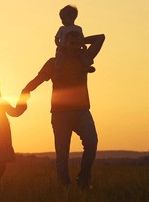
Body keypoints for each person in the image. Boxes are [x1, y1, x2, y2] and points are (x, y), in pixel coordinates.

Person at [23, 31, 105, 189]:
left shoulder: (84, 59)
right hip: (60, 113)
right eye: (71, 43)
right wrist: (26, 90)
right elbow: (39, 79)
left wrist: (82, 40)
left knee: (92, 142)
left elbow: (100, 38)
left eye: (77, 43)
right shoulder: (54, 63)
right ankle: (64, 186)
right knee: (62, 153)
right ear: (63, 44)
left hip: (82, 111)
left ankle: (83, 179)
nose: (74, 47)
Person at [55, 5, 95, 73]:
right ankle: (58, 70)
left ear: (72, 17)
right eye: (61, 19)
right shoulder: (62, 29)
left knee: (83, 54)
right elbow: (56, 39)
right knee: (59, 57)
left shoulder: (78, 28)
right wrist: (59, 46)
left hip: (76, 48)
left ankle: (86, 66)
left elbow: (81, 39)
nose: (62, 21)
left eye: (64, 18)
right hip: (63, 48)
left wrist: (83, 45)